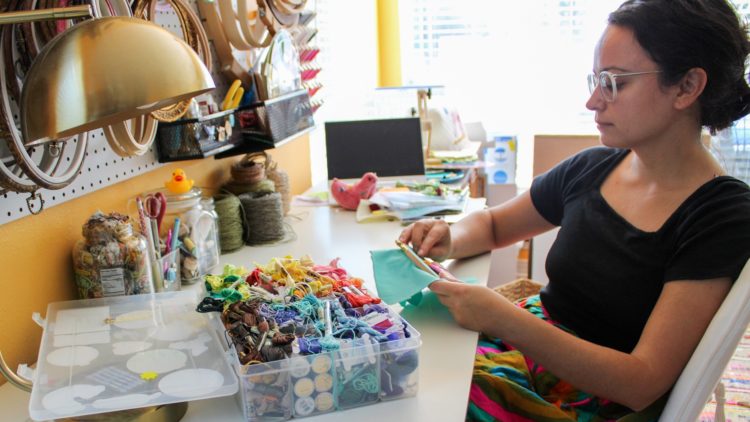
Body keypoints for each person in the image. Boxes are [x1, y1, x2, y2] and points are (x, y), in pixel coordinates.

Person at [399, 0, 750, 420]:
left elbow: (641, 382)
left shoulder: (721, 216)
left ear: (687, 87)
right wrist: (449, 235)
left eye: (614, 83)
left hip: (587, 396)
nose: (592, 101)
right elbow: (493, 225)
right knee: (398, 366)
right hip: (527, 347)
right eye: (595, 80)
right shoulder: (594, 167)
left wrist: (502, 319)